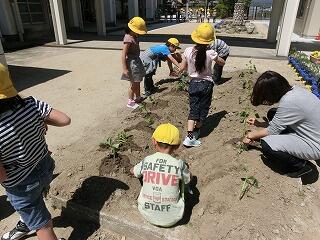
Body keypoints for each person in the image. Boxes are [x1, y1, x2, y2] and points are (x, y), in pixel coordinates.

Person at [0, 64, 71, 240]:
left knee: (43, 226)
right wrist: (40, 119)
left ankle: (33, 222)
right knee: (36, 200)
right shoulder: (30, 104)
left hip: (21, 184)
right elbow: (64, 120)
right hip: (45, 167)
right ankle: (27, 221)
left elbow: (1, 177)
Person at [243, 71, 320, 177]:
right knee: (273, 113)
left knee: (267, 144)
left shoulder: (289, 102)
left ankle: (301, 166)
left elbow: (272, 130)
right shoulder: (295, 90)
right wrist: (259, 124)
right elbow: (279, 122)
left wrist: (250, 135)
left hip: (314, 144)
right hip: (314, 132)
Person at [131, 123, 191, 227]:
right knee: (183, 179)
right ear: (177, 146)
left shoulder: (147, 160)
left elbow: (134, 172)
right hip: (174, 217)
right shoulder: (178, 164)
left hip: (146, 214)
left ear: (154, 141)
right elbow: (188, 180)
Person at [180, 23, 225, 147]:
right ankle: (196, 131)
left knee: (193, 109)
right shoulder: (211, 52)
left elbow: (182, 67)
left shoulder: (188, 50)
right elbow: (222, 62)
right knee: (203, 109)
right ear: (209, 41)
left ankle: (189, 137)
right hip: (207, 84)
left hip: (193, 83)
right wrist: (216, 56)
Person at [121, 16, 147, 109]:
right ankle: (130, 101)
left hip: (136, 60)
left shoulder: (135, 36)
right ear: (132, 29)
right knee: (133, 83)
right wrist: (125, 68)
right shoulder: (128, 38)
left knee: (138, 80)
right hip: (132, 63)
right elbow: (123, 54)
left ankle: (138, 97)